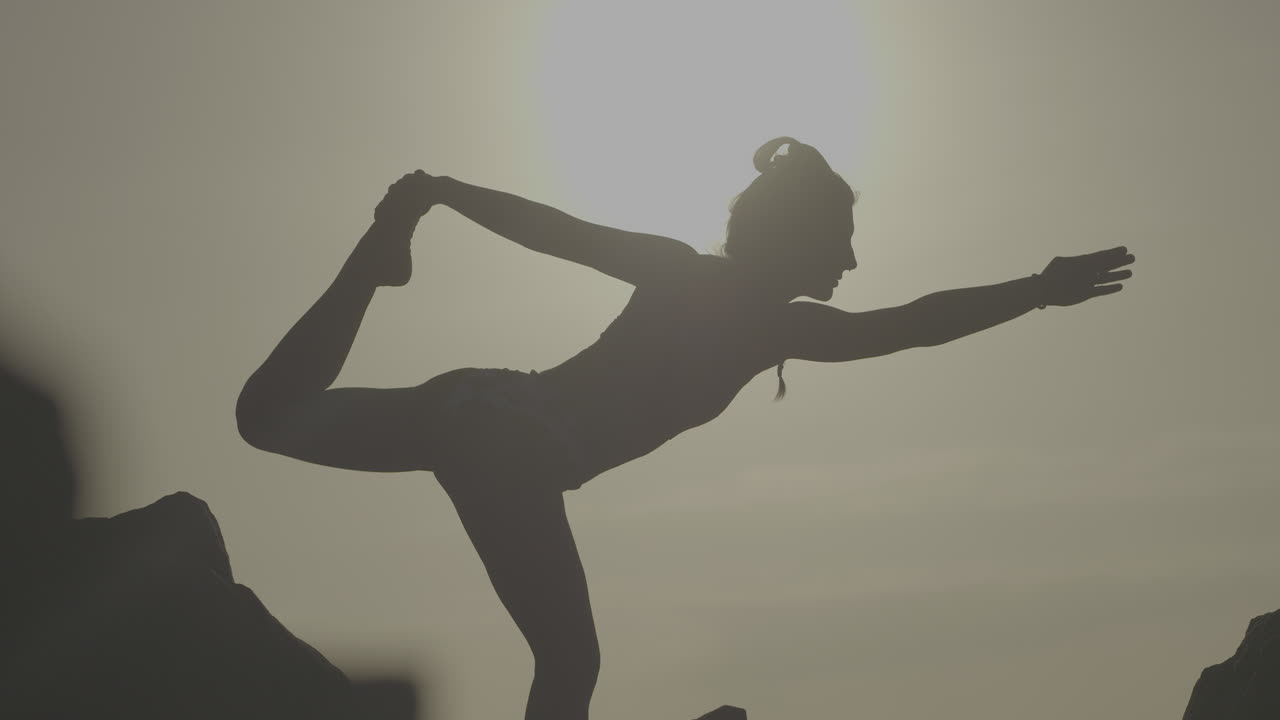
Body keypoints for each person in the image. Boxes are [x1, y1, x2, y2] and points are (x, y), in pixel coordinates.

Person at [234, 137, 1135, 720]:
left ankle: (374, 259)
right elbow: (915, 323)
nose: (854, 257)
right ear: (799, 235)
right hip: (512, 442)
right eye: (843, 237)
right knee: (571, 661)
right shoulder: (759, 318)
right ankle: (388, 244)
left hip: (476, 409)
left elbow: (559, 234)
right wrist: (1035, 290)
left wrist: (434, 195)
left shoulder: (708, 288)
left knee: (265, 418)